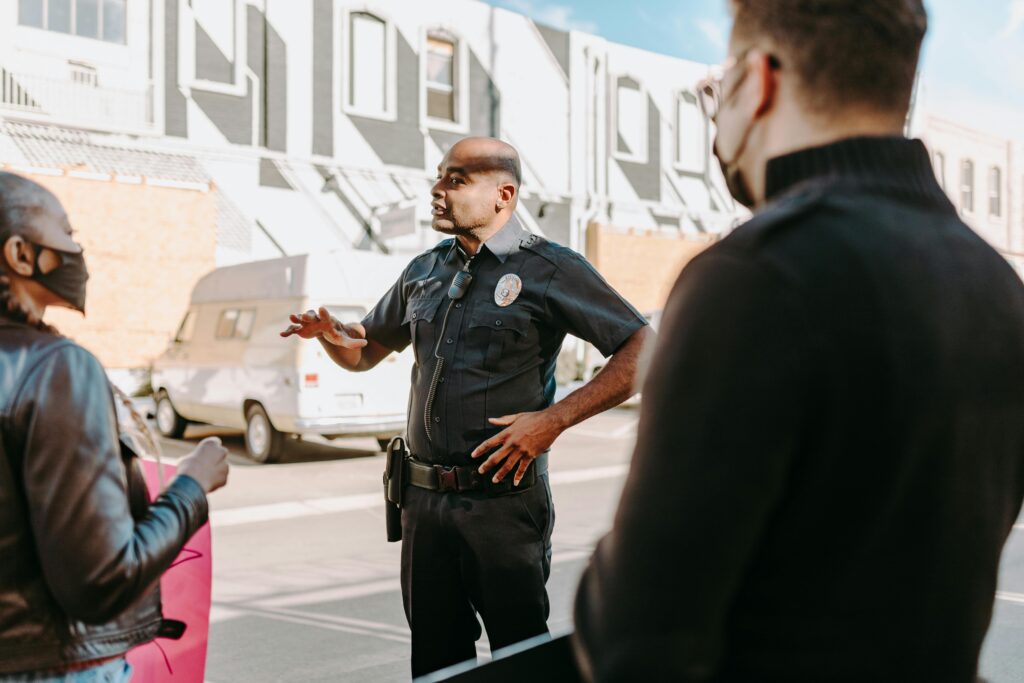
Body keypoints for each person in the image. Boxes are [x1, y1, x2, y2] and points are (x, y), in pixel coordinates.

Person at [572, 1, 1024, 681]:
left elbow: (633, 636)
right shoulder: (996, 284)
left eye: (714, 91)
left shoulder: (754, 275)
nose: (716, 115)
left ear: (758, 80)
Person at [282, 137, 651, 677]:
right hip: (423, 505)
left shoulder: (550, 268)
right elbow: (365, 350)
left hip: (502, 505)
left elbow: (643, 348)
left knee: (520, 653)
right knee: (435, 658)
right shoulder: (424, 271)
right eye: (438, 177)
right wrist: (331, 336)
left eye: (456, 180)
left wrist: (552, 421)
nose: (437, 190)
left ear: (504, 193)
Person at [0, 173, 230, 682]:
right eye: (67, 232)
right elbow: (100, 582)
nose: (77, 250)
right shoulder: (56, 369)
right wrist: (193, 484)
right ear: (19, 254)